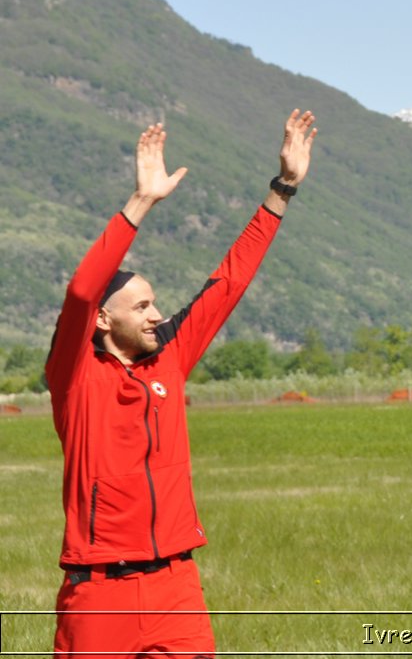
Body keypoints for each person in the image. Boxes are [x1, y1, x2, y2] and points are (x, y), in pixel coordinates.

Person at [46, 112, 317, 659]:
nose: (156, 315)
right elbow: (80, 292)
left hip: (176, 588)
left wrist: (283, 187)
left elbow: (229, 281)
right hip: (99, 594)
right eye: (141, 306)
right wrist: (141, 202)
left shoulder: (168, 358)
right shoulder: (74, 378)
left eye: (155, 303)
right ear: (103, 321)